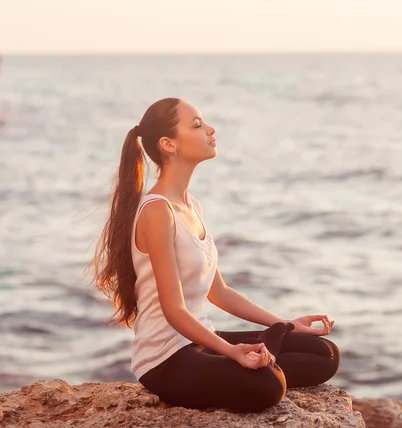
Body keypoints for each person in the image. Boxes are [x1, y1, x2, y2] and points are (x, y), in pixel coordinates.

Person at [90, 97, 340, 413]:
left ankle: (270, 344)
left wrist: (287, 322)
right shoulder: (158, 212)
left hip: (200, 340)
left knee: (324, 354)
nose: (210, 129)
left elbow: (218, 292)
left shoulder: (190, 205)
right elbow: (174, 310)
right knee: (268, 386)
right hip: (166, 359)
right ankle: (266, 351)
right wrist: (232, 352)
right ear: (169, 144)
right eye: (197, 125)